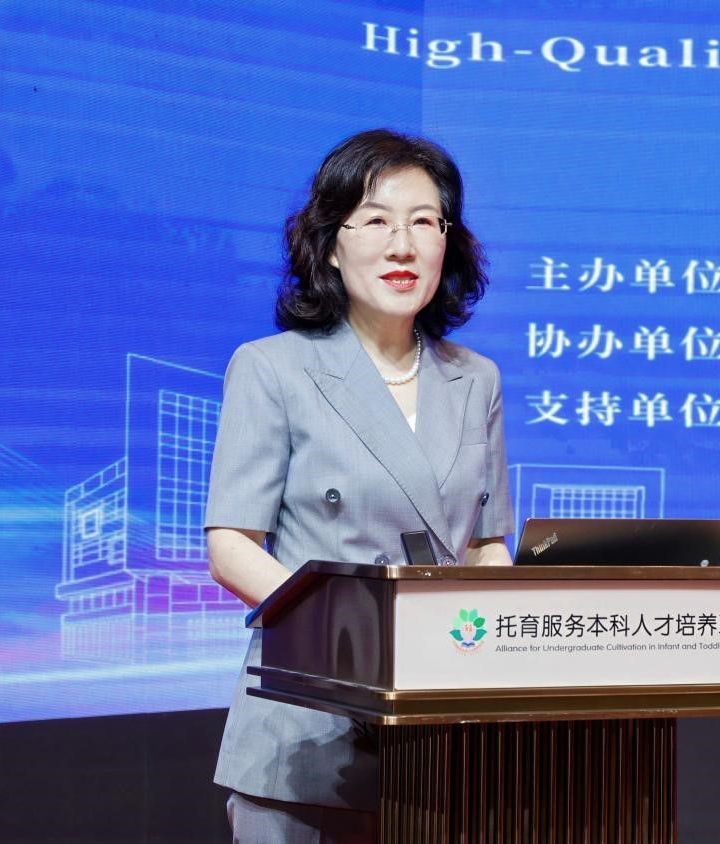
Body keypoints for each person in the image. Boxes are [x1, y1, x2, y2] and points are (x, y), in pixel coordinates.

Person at [204, 128, 514, 843]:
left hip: (438, 728)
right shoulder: (272, 367)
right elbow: (232, 548)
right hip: (308, 721)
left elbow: (485, 545)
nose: (402, 246)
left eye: (424, 222)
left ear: (448, 243)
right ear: (331, 246)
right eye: (375, 221)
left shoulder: (476, 379)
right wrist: (354, 638)